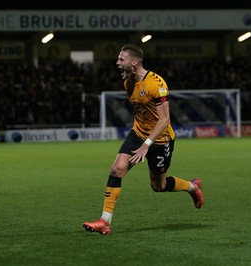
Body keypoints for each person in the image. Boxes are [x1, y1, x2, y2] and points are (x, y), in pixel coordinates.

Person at [83, 44, 204, 235]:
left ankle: (192, 187)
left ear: (134, 62)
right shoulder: (127, 82)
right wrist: (140, 142)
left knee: (158, 186)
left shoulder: (157, 84)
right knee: (117, 169)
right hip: (138, 133)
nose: (117, 62)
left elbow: (165, 120)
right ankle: (105, 221)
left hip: (160, 140)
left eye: (121, 59)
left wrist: (146, 146)